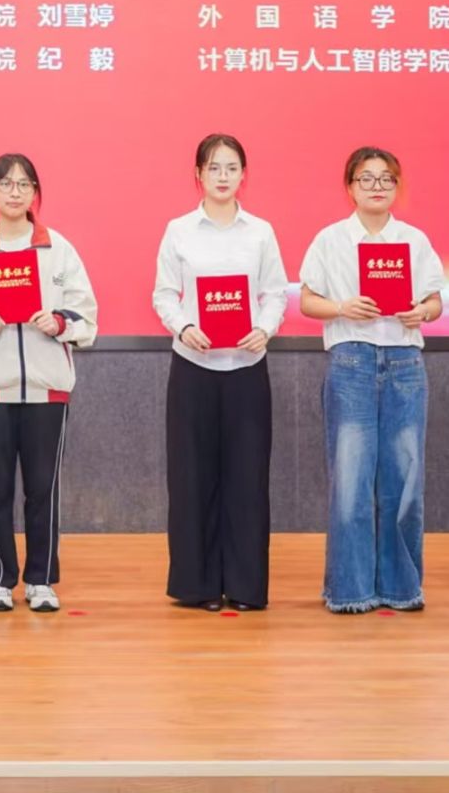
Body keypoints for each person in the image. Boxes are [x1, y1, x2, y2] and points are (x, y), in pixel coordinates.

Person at [0, 154, 98, 613]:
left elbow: (87, 317)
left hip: (48, 389)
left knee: (44, 488)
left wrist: (58, 323)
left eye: (24, 184)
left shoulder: (58, 249)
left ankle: (41, 581)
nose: (14, 192)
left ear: (35, 193)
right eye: (5, 183)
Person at [297, 147, 445, 614]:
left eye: (386, 179)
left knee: (405, 477)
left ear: (397, 187)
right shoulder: (330, 239)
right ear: (350, 187)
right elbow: (307, 301)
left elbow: (435, 301)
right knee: (351, 478)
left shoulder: (414, 240)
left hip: (404, 362)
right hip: (352, 362)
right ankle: (351, 589)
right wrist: (342, 307)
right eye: (366, 178)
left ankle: (402, 588)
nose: (377, 187)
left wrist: (423, 312)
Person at [153, 134, 288, 611]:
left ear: (243, 174)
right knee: (192, 477)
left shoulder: (260, 232)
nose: (223, 176)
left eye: (232, 168)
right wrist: (184, 326)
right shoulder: (179, 231)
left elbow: (275, 292)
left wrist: (264, 328)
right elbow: (164, 294)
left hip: (246, 367)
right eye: (214, 168)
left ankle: (246, 587)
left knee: (247, 478)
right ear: (198, 175)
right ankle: (199, 585)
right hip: (194, 368)